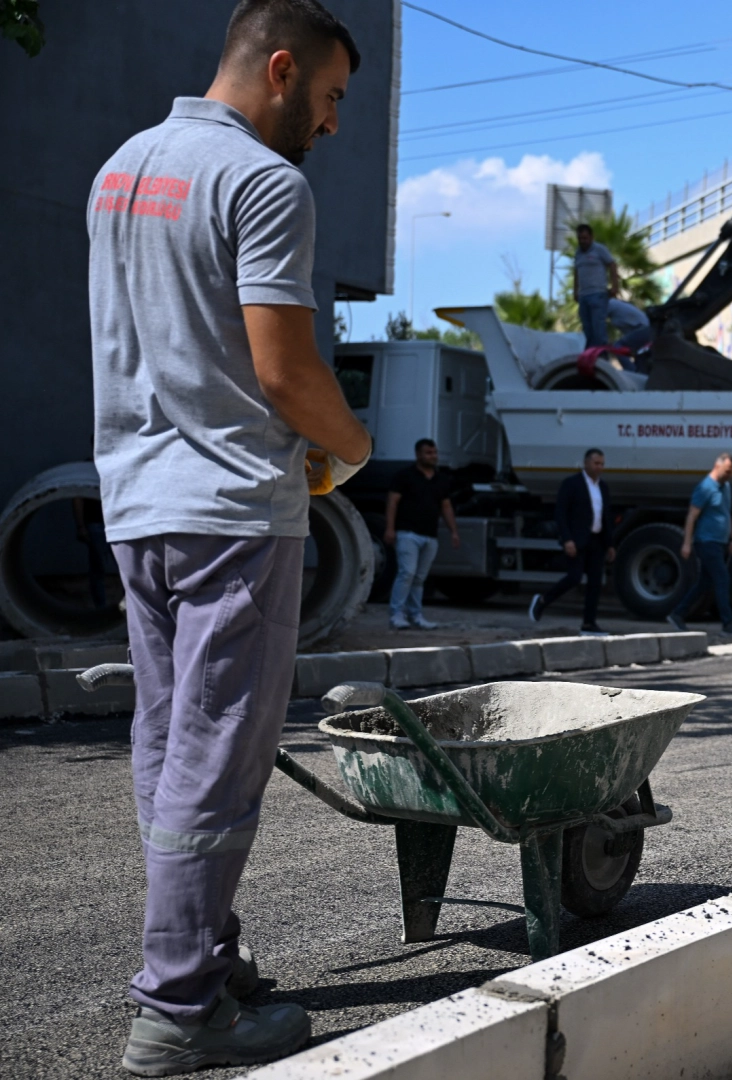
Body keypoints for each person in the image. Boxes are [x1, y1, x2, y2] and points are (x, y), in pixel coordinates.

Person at [87, 1, 369, 1071]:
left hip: (138, 505)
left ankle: (200, 952)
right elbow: (284, 371)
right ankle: (176, 1009)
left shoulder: (121, 168)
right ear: (283, 69)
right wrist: (356, 444)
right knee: (218, 755)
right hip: (232, 514)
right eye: (333, 97)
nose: (334, 123)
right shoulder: (263, 182)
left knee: (167, 743)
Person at [529, 447, 614, 634]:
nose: (599, 467)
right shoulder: (571, 484)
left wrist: (609, 544)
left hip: (597, 540)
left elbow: (605, 516)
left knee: (595, 582)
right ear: (586, 463)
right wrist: (567, 539)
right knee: (574, 577)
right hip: (577, 540)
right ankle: (543, 600)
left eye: (602, 464)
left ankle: (588, 623)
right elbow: (561, 513)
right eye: (596, 463)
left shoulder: (603, 487)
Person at [384, 438, 459, 630]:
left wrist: (453, 531)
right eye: (428, 453)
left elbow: (446, 506)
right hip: (408, 532)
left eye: (434, 453)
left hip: (430, 535)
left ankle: (416, 615)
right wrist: (390, 528)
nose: (433, 456)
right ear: (418, 454)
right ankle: (396, 613)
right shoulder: (404, 476)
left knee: (419, 578)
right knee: (407, 573)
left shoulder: (441, 479)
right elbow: (392, 502)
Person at [668, 453, 732, 637]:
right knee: (722, 578)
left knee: (704, 583)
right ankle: (728, 623)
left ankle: (677, 614)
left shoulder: (725, 486)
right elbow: (691, 516)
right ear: (716, 466)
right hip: (706, 541)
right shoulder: (705, 488)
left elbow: (726, 515)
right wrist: (687, 543)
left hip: (720, 543)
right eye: (727, 471)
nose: (730, 475)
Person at [572, 222, 619, 349]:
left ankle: (602, 361)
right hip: (583, 296)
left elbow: (612, 264)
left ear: (591, 237)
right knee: (587, 331)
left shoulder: (599, 249)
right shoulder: (578, 253)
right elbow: (576, 271)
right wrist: (575, 290)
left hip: (598, 294)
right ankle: (589, 360)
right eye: (580, 238)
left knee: (599, 330)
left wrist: (615, 286)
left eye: (585, 238)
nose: (582, 241)